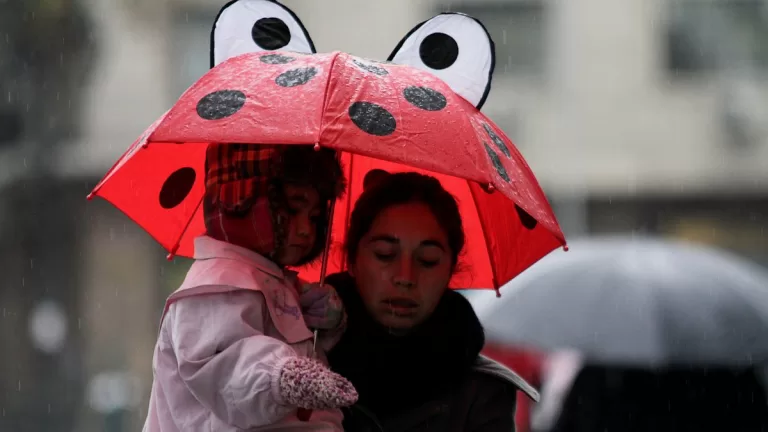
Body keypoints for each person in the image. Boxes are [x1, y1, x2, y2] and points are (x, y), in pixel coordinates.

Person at [142, 144, 357, 431]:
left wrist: (322, 326)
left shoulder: (274, 282)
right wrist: (283, 376)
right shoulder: (214, 285)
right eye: (292, 210)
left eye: (315, 217)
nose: (306, 229)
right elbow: (224, 365)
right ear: (245, 203)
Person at [326, 170, 538, 432]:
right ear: (352, 260)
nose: (405, 277)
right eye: (385, 254)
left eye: (427, 260)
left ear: (450, 270)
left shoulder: (482, 393)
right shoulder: (292, 365)